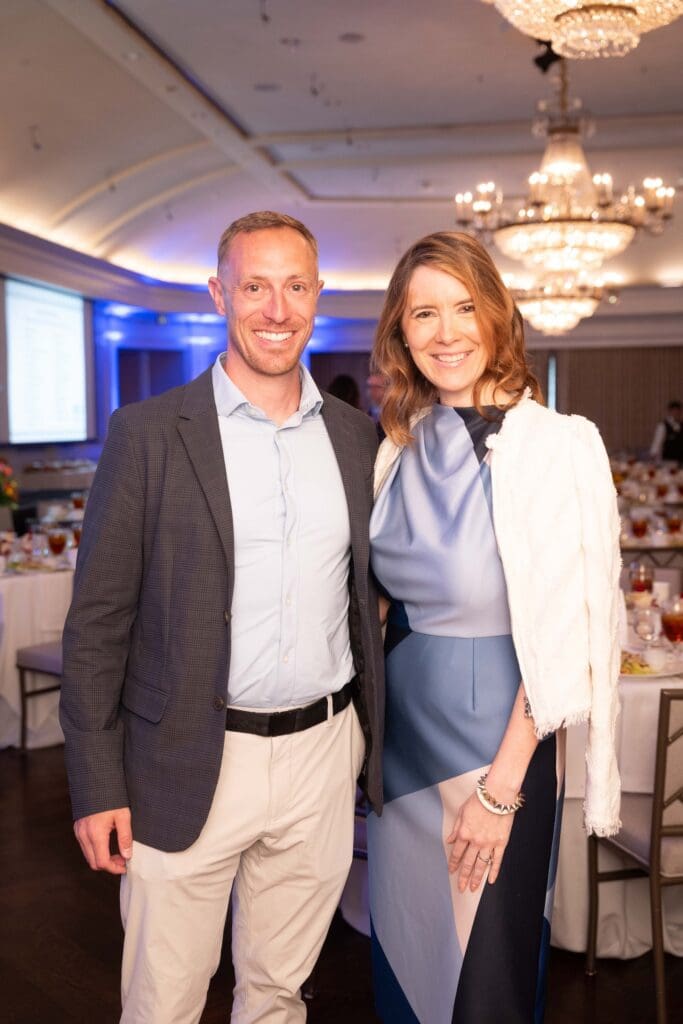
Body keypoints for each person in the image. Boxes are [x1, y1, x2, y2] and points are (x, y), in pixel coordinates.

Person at [59, 210, 384, 1024]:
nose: (276, 309)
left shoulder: (358, 438)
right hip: (182, 757)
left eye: (295, 286)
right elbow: (97, 622)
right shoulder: (146, 435)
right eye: (254, 286)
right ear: (218, 293)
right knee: (163, 1001)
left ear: (319, 295)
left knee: (277, 995)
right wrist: (97, 783)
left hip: (320, 755)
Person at [366, 231, 621, 1023]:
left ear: (497, 317)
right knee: (407, 973)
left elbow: (568, 635)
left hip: (496, 757)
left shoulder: (558, 446)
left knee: (487, 985)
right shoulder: (392, 449)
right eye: (423, 314)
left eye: (464, 309)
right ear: (400, 333)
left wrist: (502, 790)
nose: (446, 332)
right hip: (398, 761)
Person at [649, 399, 682, 463]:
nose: (676, 413)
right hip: (668, 460)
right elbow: (657, 441)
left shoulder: (681, 424)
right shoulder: (663, 426)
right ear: (670, 412)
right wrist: (653, 455)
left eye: (678, 411)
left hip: (681, 459)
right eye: (674, 411)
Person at [365, 371, 387, 440]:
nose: (372, 390)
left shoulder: (393, 418)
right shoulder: (365, 415)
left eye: (377, 387)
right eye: (370, 386)